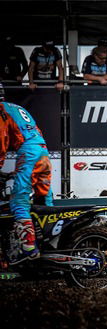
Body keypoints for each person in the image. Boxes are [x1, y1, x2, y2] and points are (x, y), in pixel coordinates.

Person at [0, 82, 53, 264]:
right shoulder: (16, 107)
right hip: (43, 150)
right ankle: (50, 242)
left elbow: (1, 142)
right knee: (43, 199)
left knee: (18, 200)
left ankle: (28, 248)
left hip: (28, 152)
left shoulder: (1, 111)